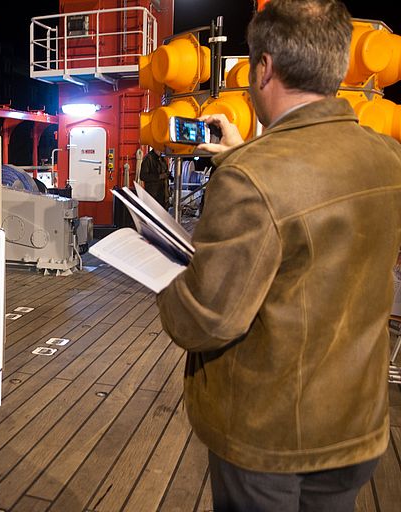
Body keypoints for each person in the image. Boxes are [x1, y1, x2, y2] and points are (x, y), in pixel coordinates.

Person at [155, 1, 401, 510]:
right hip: (356, 426)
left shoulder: (251, 179)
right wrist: (243, 153)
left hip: (272, 443)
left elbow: (207, 319)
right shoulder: (388, 157)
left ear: (264, 68)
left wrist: (168, 285)